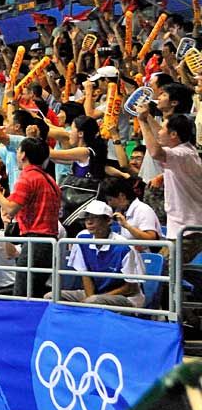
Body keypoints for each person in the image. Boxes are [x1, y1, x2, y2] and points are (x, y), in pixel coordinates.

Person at [0, 137, 61, 298]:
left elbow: (11, 208)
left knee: (23, 295)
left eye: (17, 151)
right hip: (49, 243)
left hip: (35, 243)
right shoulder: (50, 179)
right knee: (35, 294)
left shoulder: (27, 177)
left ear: (23, 155)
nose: (16, 154)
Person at [46, 201, 145, 308]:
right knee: (50, 297)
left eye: (95, 218)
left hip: (126, 298)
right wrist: (90, 299)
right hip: (95, 294)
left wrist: (93, 300)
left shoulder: (124, 247)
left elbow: (131, 287)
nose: (89, 222)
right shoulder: (82, 239)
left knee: (92, 301)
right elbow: (85, 274)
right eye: (87, 218)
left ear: (108, 220)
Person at [137, 107, 202, 264]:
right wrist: (148, 116)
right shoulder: (184, 150)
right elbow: (161, 135)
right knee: (162, 269)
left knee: (165, 271)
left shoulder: (182, 154)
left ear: (173, 135)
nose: (158, 132)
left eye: (163, 129)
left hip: (189, 229)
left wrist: (142, 122)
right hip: (181, 228)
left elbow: (155, 152)